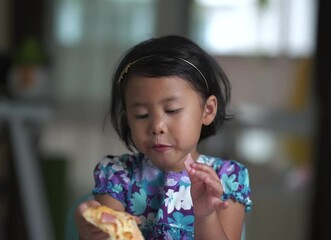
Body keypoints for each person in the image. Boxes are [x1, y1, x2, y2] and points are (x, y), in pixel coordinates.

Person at [74, 35, 252, 240]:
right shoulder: (118, 175)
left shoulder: (228, 179)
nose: (157, 126)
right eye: (141, 115)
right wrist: (91, 232)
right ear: (128, 119)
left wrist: (206, 216)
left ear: (207, 110)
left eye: (172, 110)